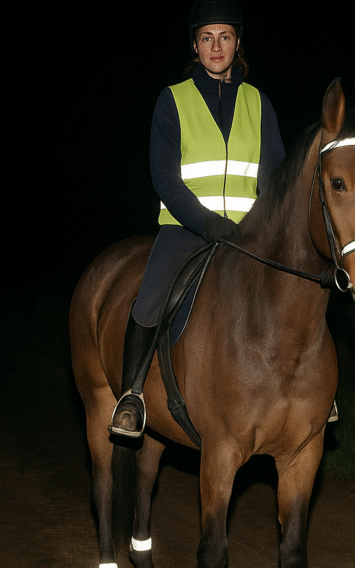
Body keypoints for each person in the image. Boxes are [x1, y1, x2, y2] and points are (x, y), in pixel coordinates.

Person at [110, 0, 287, 438]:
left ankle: (312, 394)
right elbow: (164, 177)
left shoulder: (259, 103)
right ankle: (131, 396)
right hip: (186, 230)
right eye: (206, 38)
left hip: (248, 235)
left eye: (225, 37)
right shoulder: (173, 100)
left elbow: (275, 176)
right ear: (195, 44)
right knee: (150, 297)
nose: (216, 46)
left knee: (293, 288)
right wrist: (206, 222)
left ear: (238, 42)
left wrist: (260, 226)